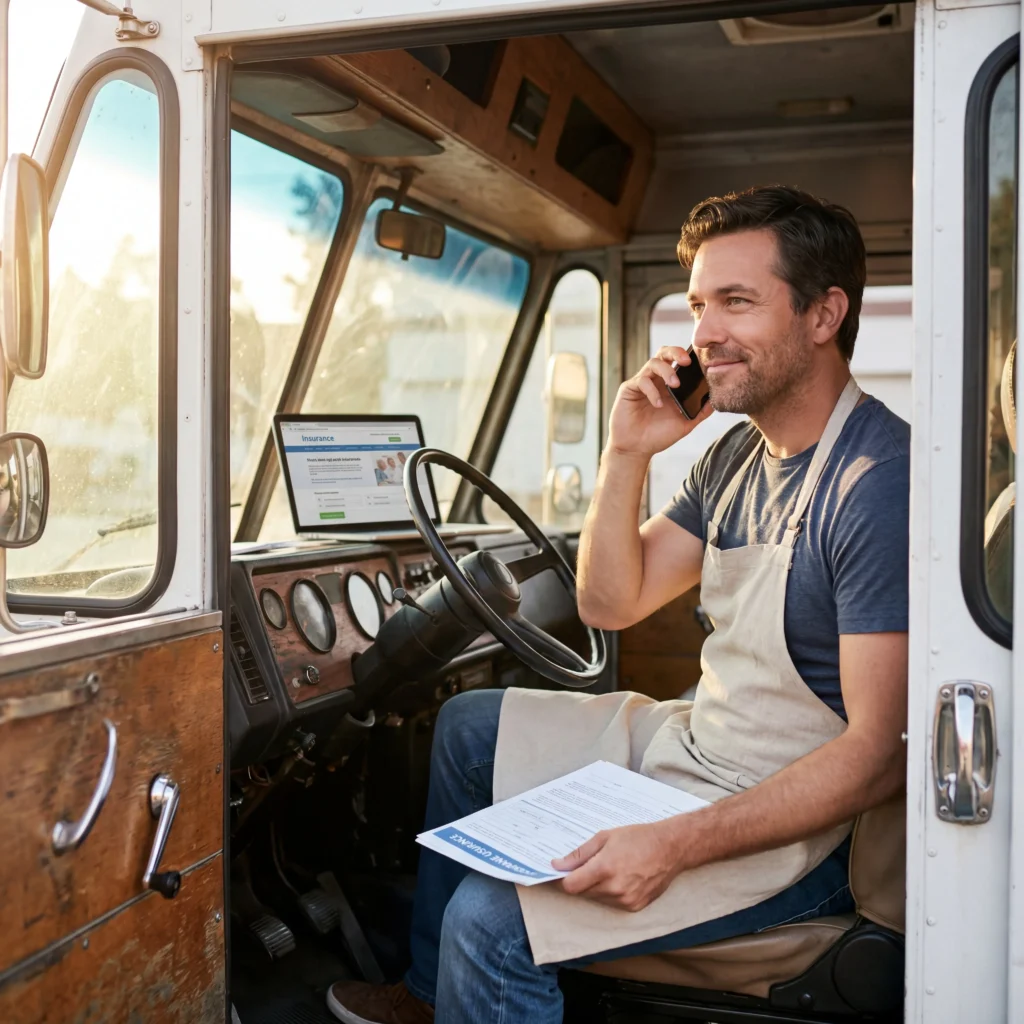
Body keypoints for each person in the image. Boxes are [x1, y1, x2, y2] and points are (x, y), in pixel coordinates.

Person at [326, 185, 910, 1024]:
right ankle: (431, 998)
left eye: (737, 303)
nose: (705, 332)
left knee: (489, 922)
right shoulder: (735, 459)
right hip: (703, 743)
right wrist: (626, 448)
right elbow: (611, 601)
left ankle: (472, 976)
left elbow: (875, 756)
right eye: (701, 304)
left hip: (802, 832)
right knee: (468, 730)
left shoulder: (874, 483)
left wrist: (671, 843)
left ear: (825, 315)